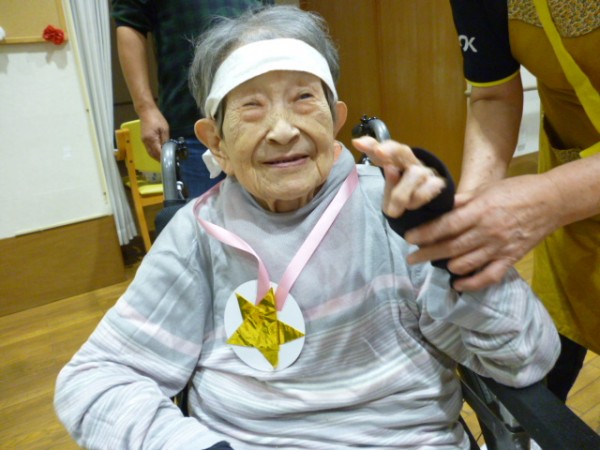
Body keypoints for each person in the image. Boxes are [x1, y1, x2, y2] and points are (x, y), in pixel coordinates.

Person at [55, 6, 559, 449]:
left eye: (302, 98)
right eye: (251, 106)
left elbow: (527, 358)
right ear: (216, 141)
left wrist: (458, 255)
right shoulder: (197, 235)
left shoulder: (396, 212)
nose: (282, 130)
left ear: (335, 118)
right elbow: (96, 379)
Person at [401, 0, 599, 403]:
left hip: (566, 187)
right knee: (567, 310)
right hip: (573, 153)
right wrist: (471, 212)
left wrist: (554, 196)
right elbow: (493, 96)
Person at [111, 0, 273, 199]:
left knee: (274, 209)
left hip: (260, 115)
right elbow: (129, 24)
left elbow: (268, 21)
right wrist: (145, 109)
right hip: (191, 120)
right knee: (203, 213)